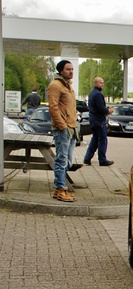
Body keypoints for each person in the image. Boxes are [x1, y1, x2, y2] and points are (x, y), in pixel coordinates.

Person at [48, 60, 79, 203]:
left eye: (72, 69)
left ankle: (58, 188)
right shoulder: (55, 85)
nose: (71, 71)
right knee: (61, 159)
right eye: (68, 69)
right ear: (61, 71)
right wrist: (62, 126)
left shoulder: (68, 86)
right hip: (63, 129)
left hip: (71, 127)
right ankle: (61, 189)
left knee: (67, 160)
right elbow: (53, 108)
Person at [84, 77, 114, 166]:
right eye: (101, 83)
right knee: (102, 140)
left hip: (93, 119)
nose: (102, 85)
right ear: (96, 83)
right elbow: (101, 108)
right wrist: (108, 111)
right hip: (99, 120)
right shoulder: (98, 94)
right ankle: (102, 159)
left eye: (103, 83)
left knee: (95, 139)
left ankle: (87, 158)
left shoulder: (92, 93)